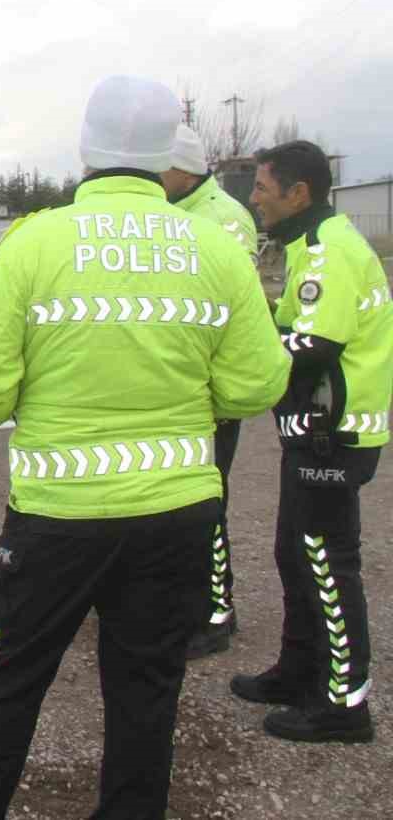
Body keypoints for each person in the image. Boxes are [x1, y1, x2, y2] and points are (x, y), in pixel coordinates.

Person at [0, 76, 289, 819]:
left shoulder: (34, 242)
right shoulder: (217, 249)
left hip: (58, 515)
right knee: (147, 692)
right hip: (176, 512)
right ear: (169, 156)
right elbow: (256, 385)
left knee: (10, 680)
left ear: (86, 148)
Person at [233, 139, 391, 744]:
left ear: (298, 194)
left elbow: (313, 345)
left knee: (327, 563)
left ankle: (346, 705)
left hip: (335, 435)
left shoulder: (328, 251)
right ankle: (299, 672)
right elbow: (293, 324)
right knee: (294, 554)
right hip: (312, 430)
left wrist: (241, 354)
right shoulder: (308, 247)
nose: (255, 200)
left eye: (263, 189)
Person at [160, 124, 261, 659]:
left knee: (207, 501)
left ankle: (215, 613)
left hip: (211, 392)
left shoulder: (222, 219)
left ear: (179, 169)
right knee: (183, 503)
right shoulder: (183, 212)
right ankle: (185, 601)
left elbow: (232, 316)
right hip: (183, 387)